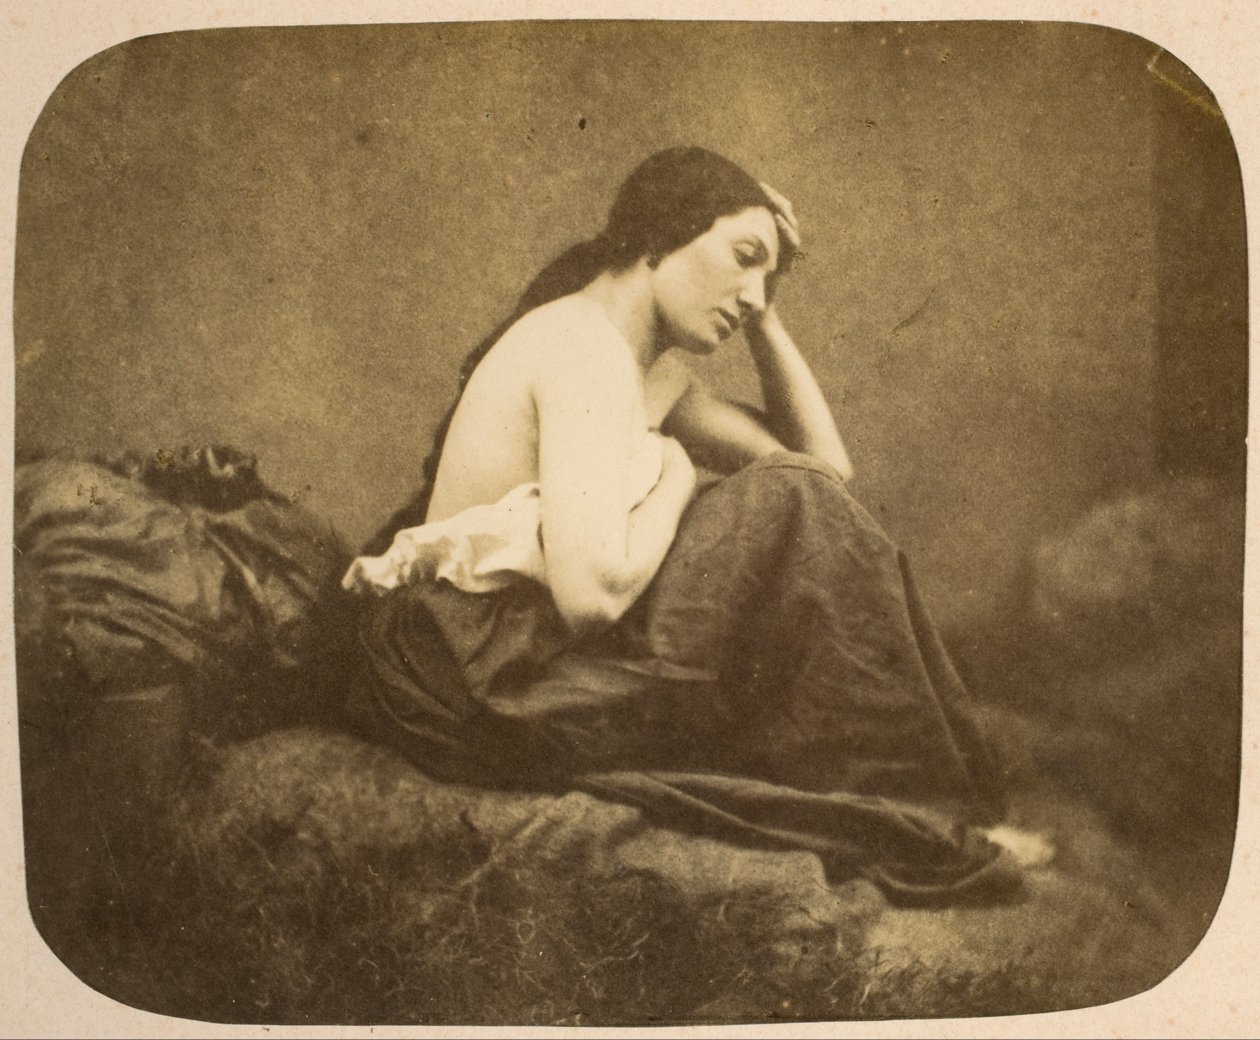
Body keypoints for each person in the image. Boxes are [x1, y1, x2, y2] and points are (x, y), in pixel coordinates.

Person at [342, 146, 1049, 902]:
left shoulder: (645, 370)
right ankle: (924, 812)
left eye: (766, 281)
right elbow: (590, 598)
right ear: (660, 233)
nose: (750, 295)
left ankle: (923, 808)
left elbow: (824, 473)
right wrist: (677, 475)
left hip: (522, 656)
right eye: (742, 259)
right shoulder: (579, 345)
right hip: (484, 678)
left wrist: (766, 314)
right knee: (779, 509)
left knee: (795, 501)